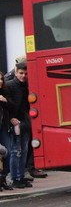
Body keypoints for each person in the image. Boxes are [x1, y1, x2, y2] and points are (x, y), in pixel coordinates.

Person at [6, 58, 31, 189]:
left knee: (24, 150)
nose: (23, 76)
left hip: (25, 122)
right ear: (16, 72)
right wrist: (10, 118)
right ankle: (14, 178)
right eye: (21, 73)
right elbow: (5, 106)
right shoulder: (9, 85)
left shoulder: (28, 86)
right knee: (16, 151)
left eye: (26, 74)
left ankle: (20, 177)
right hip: (15, 122)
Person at [0, 74, 14, 190]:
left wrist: (5, 101)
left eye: (1, 79)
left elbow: (13, 107)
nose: (0, 82)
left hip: (4, 127)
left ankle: (3, 178)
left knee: (8, 152)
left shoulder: (5, 92)